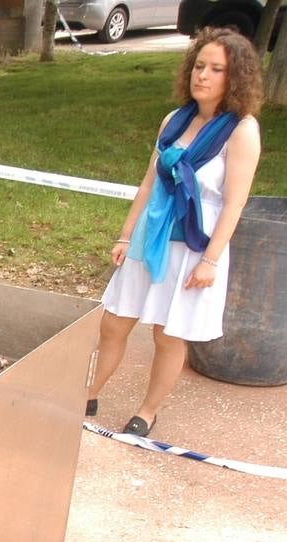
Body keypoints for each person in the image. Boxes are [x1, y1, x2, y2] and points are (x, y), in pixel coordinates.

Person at [88, 28, 262, 437]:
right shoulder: (174, 120)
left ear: (234, 77)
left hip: (195, 245)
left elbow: (234, 203)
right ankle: (87, 392)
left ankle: (147, 412)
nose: (202, 75)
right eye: (199, 66)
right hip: (152, 237)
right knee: (114, 323)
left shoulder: (241, 130)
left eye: (216, 69)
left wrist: (210, 261)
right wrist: (125, 234)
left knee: (168, 335)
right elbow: (149, 185)